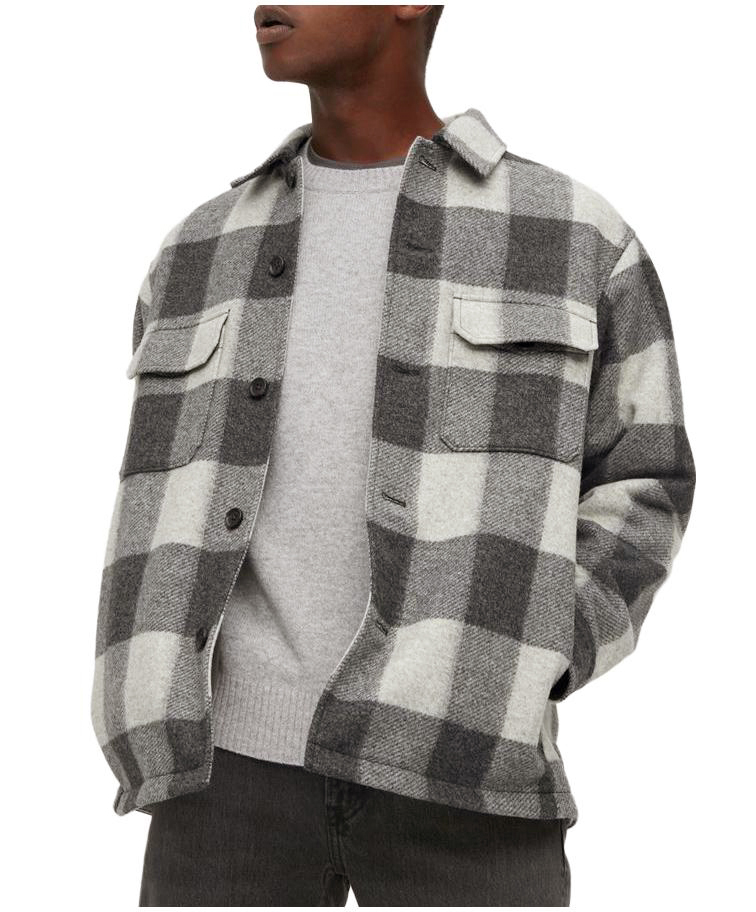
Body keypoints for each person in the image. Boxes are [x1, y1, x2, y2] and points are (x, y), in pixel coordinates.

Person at [90, 4, 696, 906]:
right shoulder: (198, 248)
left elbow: (647, 479)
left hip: (467, 775)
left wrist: (535, 653)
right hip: (222, 782)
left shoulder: (572, 234)